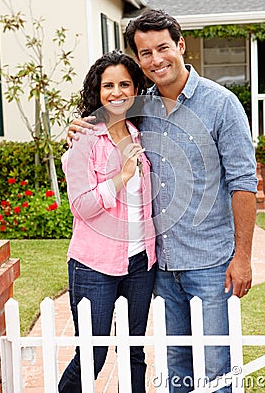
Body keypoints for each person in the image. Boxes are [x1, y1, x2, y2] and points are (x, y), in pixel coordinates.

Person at [67, 10, 258, 393]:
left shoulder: (221, 105)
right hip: (163, 267)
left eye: (163, 48)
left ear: (181, 46)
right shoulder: (141, 107)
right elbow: (100, 118)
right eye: (146, 53)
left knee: (216, 365)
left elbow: (244, 182)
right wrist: (73, 127)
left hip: (210, 263)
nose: (156, 59)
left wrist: (243, 257)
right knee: (176, 366)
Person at [58, 50, 157, 393]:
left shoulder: (139, 133)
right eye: (108, 85)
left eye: (125, 84)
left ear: (135, 89)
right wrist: (121, 176)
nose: (117, 92)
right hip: (94, 264)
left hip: (139, 263)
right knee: (94, 354)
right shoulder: (84, 138)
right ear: (97, 92)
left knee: (133, 353)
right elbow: (82, 207)